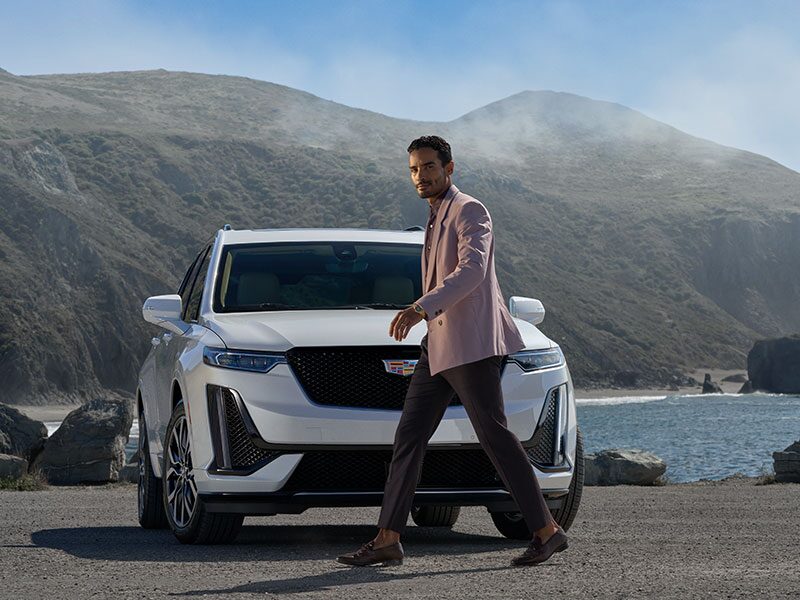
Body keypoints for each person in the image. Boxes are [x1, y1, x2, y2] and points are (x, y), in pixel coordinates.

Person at [336, 135, 568, 567]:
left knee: (494, 436)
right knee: (409, 437)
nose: (420, 176)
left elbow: (472, 270)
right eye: (413, 169)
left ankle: (547, 530)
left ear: (449, 168)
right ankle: (388, 538)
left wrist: (420, 307)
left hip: (472, 346)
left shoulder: (469, 210)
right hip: (438, 347)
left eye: (428, 166)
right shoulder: (433, 215)